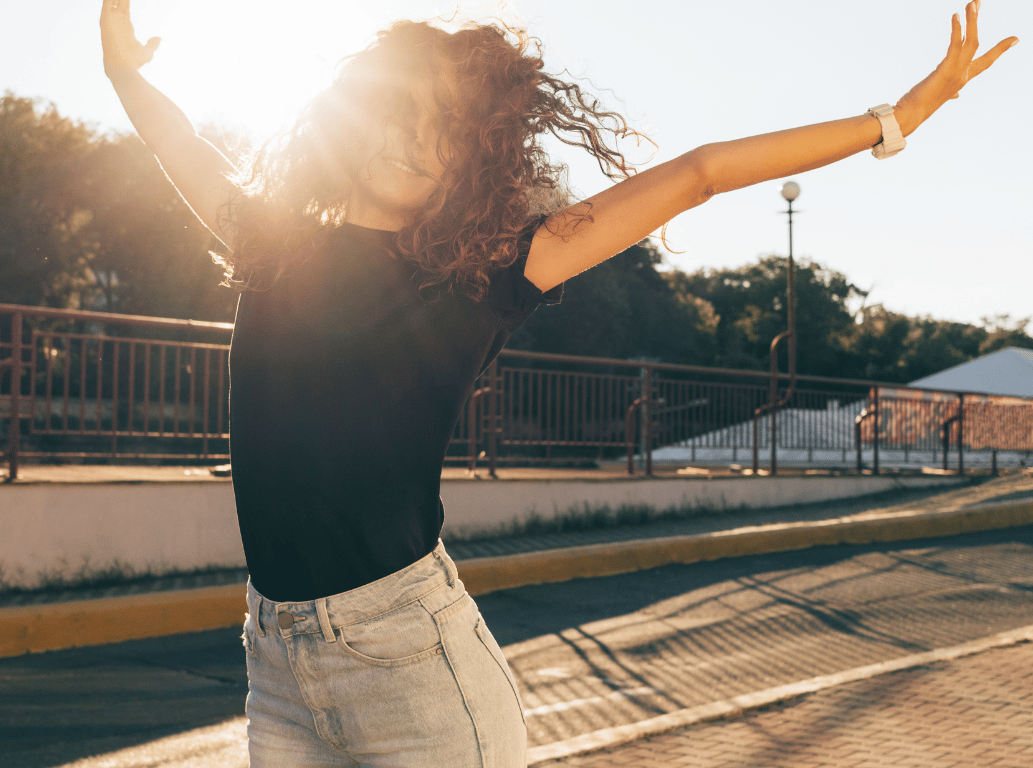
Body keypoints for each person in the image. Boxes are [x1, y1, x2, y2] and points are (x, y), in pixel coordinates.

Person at [100, 1, 1015, 766]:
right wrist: (126, 74)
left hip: (412, 663)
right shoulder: (269, 242)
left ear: (472, 162)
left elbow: (697, 174)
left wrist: (895, 118)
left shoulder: (485, 273)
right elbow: (176, 140)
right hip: (276, 661)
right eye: (406, 110)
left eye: (450, 131)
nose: (421, 141)